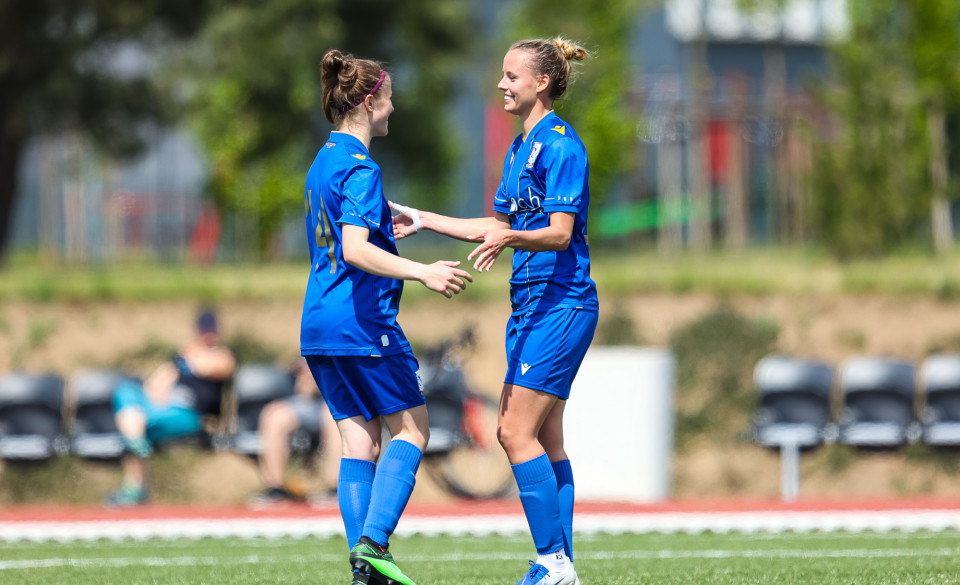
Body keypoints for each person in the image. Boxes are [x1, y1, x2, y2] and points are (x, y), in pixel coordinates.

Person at [390, 37, 597, 585]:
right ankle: (562, 566)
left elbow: (559, 233)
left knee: (511, 432)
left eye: (511, 76)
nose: (501, 85)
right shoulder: (519, 147)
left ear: (541, 83)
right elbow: (495, 226)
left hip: (561, 303)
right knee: (545, 439)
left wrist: (509, 238)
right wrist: (424, 220)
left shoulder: (561, 146)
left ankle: (553, 562)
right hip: (529, 307)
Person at [302, 49, 473, 585]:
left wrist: (386, 224)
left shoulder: (322, 161)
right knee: (413, 429)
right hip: (361, 322)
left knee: (359, 442)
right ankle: (374, 543)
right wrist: (423, 272)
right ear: (371, 101)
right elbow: (354, 249)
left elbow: (345, 232)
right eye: (391, 97)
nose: (394, 108)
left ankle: (365, 571)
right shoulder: (362, 166)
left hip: (318, 323)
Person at [108, 309, 237, 506]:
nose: (207, 334)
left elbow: (217, 367)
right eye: (204, 330)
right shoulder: (182, 357)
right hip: (162, 409)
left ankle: (135, 488)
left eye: (211, 330)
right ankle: (135, 450)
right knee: (126, 391)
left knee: (135, 427)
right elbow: (155, 385)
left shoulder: (222, 355)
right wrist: (172, 372)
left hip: (189, 415)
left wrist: (190, 358)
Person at [251, 358, 341, 505]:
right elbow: (303, 389)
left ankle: (335, 488)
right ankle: (275, 489)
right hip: (306, 403)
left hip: (335, 401)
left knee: (334, 418)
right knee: (275, 417)